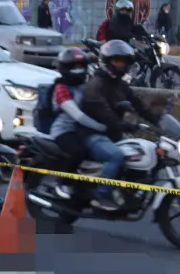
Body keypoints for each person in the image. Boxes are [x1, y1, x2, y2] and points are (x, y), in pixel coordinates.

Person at [80, 39, 158, 211]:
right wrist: (124, 125)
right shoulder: (96, 85)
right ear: (108, 61)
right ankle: (102, 193)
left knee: (138, 153)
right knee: (116, 156)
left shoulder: (119, 85)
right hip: (92, 134)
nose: (121, 65)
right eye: (117, 60)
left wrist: (157, 119)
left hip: (111, 132)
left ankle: (126, 191)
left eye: (124, 61)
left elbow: (138, 104)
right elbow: (104, 113)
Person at [46, 46, 108, 200]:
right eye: (74, 67)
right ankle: (63, 183)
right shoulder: (60, 88)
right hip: (65, 130)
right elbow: (77, 115)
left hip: (83, 130)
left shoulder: (85, 85)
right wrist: (100, 127)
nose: (78, 70)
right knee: (78, 152)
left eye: (81, 67)